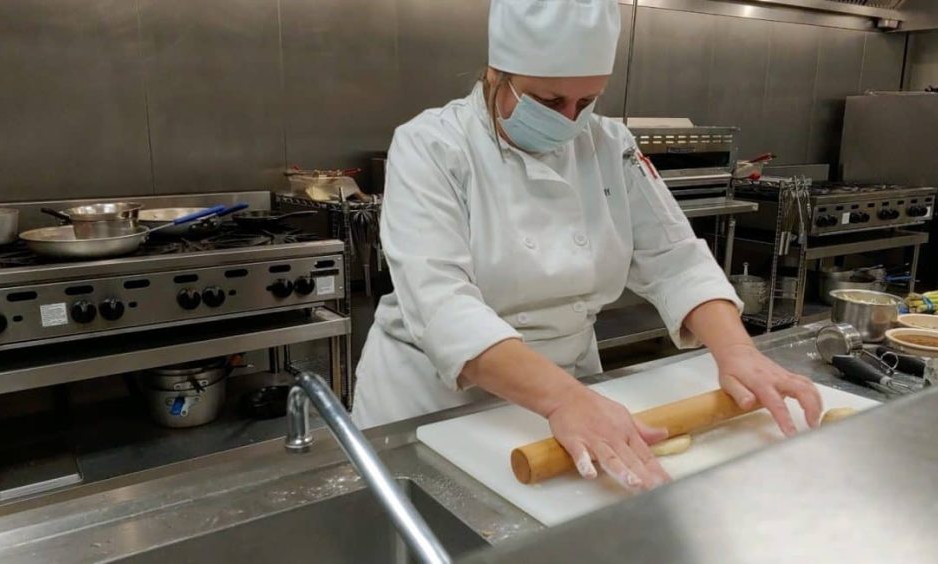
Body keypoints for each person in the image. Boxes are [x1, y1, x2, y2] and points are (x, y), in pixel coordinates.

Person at [352, 0, 822, 490]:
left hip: (575, 397)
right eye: (550, 102)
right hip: (434, 403)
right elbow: (442, 305)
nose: (570, 120)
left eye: (587, 102)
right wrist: (560, 399)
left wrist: (737, 352)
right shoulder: (431, 145)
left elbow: (675, 258)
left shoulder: (608, 143)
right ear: (496, 74)